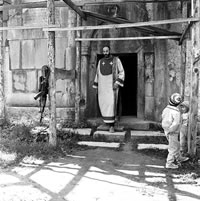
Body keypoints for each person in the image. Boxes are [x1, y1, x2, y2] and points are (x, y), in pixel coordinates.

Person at [93, 46, 125, 133]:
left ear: (109, 51)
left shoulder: (116, 60)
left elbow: (122, 72)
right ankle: (106, 123)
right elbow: (97, 74)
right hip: (103, 88)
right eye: (104, 51)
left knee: (112, 104)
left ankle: (112, 126)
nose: (105, 53)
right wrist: (96, 85)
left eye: (107, 51)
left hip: (112, 87)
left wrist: (117, 83)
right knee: (104, 104)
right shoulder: (100, 61)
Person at [161, 93, 189, 169]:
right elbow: (176, 123)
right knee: (173, 148)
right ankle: (169, 163)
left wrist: (167, 129)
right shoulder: (176, 113)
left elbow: (163, 117)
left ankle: (179, 157)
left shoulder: (166, 109)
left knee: (176, 145)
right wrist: (171, 130)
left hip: (166, 129)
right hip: (172, 132)